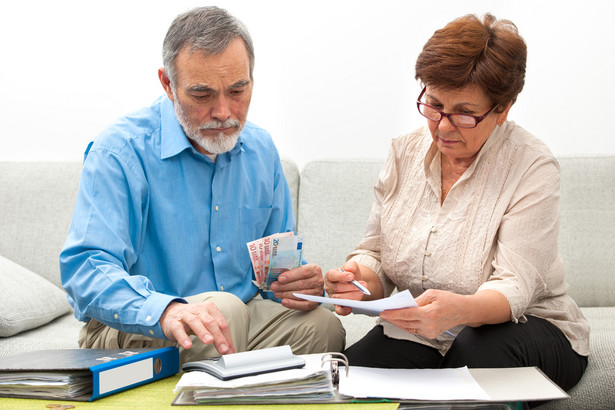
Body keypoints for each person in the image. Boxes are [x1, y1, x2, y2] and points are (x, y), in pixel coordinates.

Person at [60, 6, 344, 364]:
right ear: (168, 84)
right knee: (220, 314)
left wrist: (299, 288)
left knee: (321, 326)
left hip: (232, 318)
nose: (224, 112)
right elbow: (85, 269)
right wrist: (165, 311)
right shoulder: (119, 151)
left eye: (238, 90)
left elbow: (275, 279)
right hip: (140, 325)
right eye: (202, 95)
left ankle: (243, 386)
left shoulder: (261, 150)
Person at [324, 13, 589, 398]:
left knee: (475, 356)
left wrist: (461, 311)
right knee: (346, 384)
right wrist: (359, 280)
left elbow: (515, 286)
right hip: (424, 332)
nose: (443, 127)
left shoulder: (531, 165)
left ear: (504, 109)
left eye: (464, 113)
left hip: (525, 327)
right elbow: (375, 251)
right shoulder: (403, 152)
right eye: (434, 105)